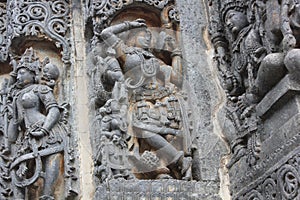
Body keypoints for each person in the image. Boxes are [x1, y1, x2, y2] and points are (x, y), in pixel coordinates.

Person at [100, 19, 192, 180]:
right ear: (132, 38)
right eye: (143, 35)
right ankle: (178, 161)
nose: (148, 38)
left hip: (162, 102)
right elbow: (106, 33)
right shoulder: (126, 53)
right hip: (139, 102)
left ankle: (167, 167)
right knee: (141, 130)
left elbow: (176, 78)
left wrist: (176, 53)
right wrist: (130, 25)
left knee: (166, 135)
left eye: (149, 36)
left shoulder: (155, 60)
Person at [6, 48, 73, 199]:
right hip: (28, 137)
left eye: (23, 72)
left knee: (52, 158)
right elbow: (15, 123)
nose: (19, 76)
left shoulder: (40, 89)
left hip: (48, 131)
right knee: (20, 170)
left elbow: (53, 110)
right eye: (18, 73)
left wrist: (44, 129)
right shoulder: (16, 96)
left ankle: (47, 194)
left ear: (33, 73)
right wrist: (8, 146)